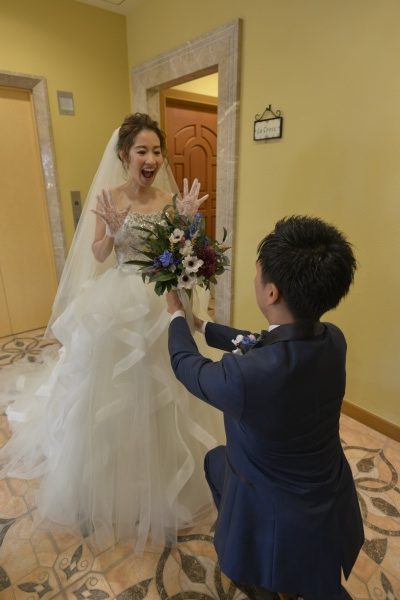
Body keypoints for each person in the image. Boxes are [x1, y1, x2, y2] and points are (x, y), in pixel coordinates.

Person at [0, 113, 223, 553]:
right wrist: (114, 231)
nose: (151, 159)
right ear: (124, 155)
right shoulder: (109, 198)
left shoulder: (168, 200)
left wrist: (188, 225)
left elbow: (183, 254)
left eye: (156, 151)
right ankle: (115, 483)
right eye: (142, 151)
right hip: (119, 303)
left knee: (170, 387)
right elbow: (100, 254)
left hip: (162, 300)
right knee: (114, 390)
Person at [165, 215, 364, 600]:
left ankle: (259, 574)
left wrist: (175, 314)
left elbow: (187, 366)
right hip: (328, 493)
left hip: (273, 506)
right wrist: (203, 326)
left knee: (214, 461)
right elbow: (263, 340)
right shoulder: (332, 339)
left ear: (271, 293)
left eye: (257, 274)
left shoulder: (245, 377)